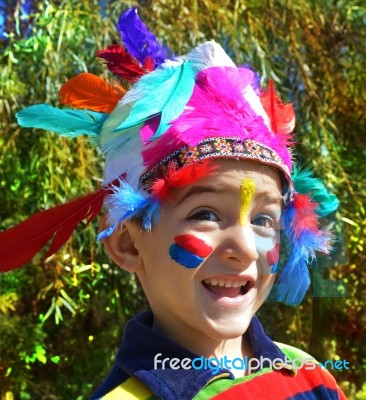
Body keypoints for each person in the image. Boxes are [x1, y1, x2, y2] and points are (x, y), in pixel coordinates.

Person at [0, 7, 347, 400]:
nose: (246, 248)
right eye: (206, 214)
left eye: (264, 220)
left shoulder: (312, 377)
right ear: (128, 244)